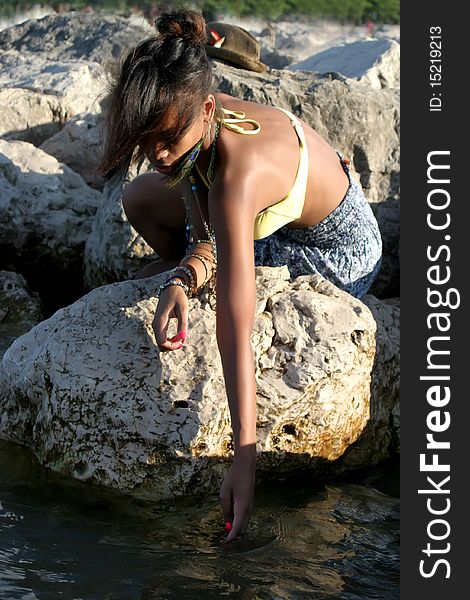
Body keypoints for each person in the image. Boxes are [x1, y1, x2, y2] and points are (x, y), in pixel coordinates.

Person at [98, 9, 383, 544]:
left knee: (214, 276)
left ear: (207, 110)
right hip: (265, 220)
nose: (156, 154)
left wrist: (243, 457)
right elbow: (196, 198)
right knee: (139, 196)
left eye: (165, 139)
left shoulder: (236, 173)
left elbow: (236, 319)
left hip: (340, 248)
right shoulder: (195, 114)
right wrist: (186, 274)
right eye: (147, 139)